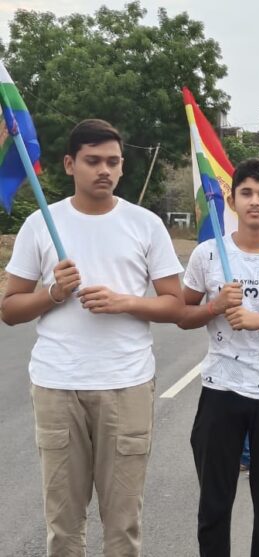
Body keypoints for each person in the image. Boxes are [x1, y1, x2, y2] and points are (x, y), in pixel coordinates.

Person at [1, 119, 185, 556]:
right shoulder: (41, 224)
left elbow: (175, 304)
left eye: (113, 162)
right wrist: (53, 293)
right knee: (63, 525)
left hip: (126, 384)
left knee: (123, 524)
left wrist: (125, 302)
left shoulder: (145, 224)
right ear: (70, 164)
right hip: (57, 386)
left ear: (122, 167)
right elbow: (9, 309)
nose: (104, 170)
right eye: (93, 161)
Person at [178, 158, 259, 556]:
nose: (255, 201)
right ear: (232, 201)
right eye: (247, 193)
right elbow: (182, 316)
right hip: (221, 389)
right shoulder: (207, 255)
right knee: (214, 504)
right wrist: (214, 306)